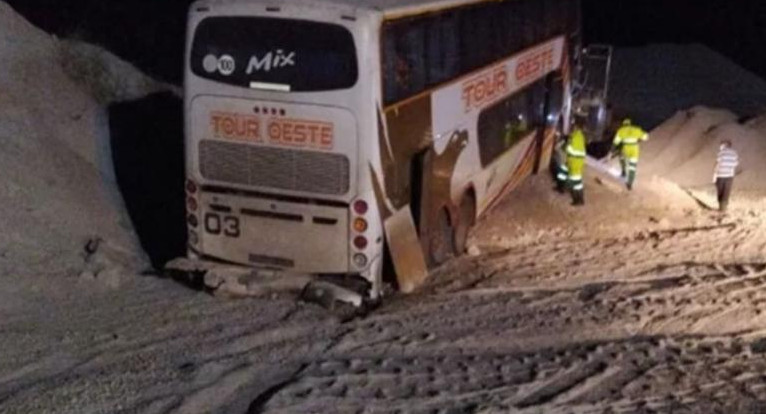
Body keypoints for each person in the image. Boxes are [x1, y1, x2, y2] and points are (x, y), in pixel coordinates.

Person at [613, 119, 649, 190]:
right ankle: (630, 183)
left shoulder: (621, 131)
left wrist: (612, 149)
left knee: (621, 157)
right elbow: (646, 137)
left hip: (626, 149)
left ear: (623, 124)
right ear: (630, 124)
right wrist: (639, 138)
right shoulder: (636, 129)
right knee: (632, 167)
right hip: (634, 149)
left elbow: (616, 142)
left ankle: (623, 171)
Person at [713, 139, 739, 211]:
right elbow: (736, 164)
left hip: (721, 175)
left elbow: (717, 164)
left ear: (724, 145)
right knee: (726, 191)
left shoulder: (721, 153)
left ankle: (721, 207)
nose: (720, 147)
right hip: (730, 175)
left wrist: (714, 175)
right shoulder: (734, 153)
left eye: (721, 145)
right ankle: (724, 207)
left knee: (720, 191)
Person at [565, 120, 587, 205]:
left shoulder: (575, 136)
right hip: (578, 161)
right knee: (578, 180)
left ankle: (577, 200)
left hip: (575, 161)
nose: (571, 128)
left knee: (574, 181)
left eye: (573, 127)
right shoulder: (580, 136)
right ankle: (580, 199)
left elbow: (571, 150)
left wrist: (567, 145)